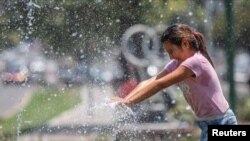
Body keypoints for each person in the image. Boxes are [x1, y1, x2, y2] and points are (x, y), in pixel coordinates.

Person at [111, 23, 238, 141]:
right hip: (207, 123)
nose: (171, 57)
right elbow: (152, 80)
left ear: (185, 44)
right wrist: (125, 100)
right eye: (168, 53)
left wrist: (129, 102)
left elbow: (161, 84)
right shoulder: (176, 63)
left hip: (222, 122)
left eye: (171, 51)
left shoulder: (195, 62)